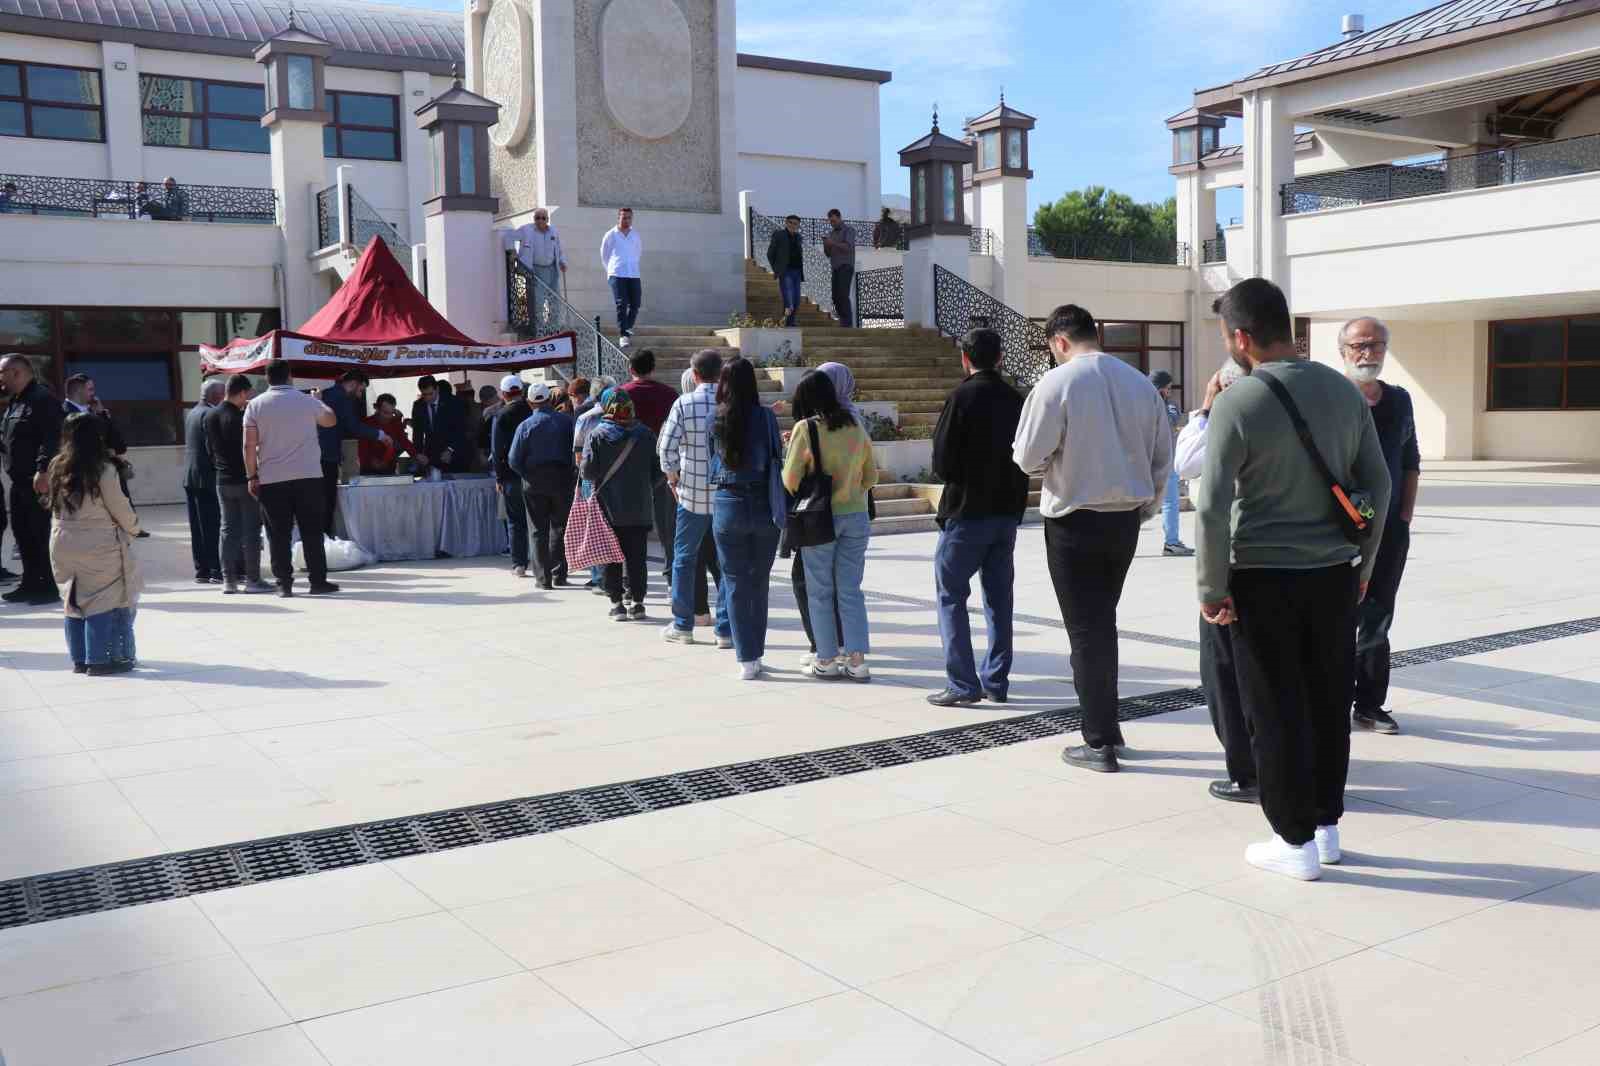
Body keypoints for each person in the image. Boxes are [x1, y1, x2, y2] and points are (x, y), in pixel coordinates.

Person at [1196, 277, 1391, 882]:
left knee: (1274, 707)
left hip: (1262, 577)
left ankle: (1293, 840)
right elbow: (1378, 486)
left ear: (1242, 337)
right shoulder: (1343, 390)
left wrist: (1210, 587)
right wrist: (1365, 562)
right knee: (1329, 699)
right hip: (1335, 572)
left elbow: (1210, 505)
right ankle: (1327, 828)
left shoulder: (1238, 400)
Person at [1012, 304, 1173, 774]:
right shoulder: (1140, 383)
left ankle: (1099, 739)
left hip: (1075, 522)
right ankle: (1108, 725)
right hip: (1124, 521)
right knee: (1102, 622)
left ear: (1059, 341)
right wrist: (1145, 505)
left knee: (1087, 629)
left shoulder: (1057, 383)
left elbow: (1026, 456)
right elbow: (1164, 457)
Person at [926, 329, 1028, 707]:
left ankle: (963, 684)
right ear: (1000, 357)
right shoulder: (1016, 399)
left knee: (951, 594)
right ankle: (996, 680)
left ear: (965, 358)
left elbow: (942, 462)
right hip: (1006, 512)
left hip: (968, 511)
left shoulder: (961, 397)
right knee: (999, 598)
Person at [1175, 355, 1256, 803]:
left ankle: (1246, 770)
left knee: (1224, 672)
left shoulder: (1229, 423)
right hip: (1287, 560)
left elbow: (1185, 463)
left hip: (1233, 561)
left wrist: (1207, 409)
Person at [1341, 316, 1419, 736]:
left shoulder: (1400, 400)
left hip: (1389, 530)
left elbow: (1411, 460)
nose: (1368, 353)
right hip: (1340, 530)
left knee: (1378, 615)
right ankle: (1331, 698)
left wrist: (1403, 516)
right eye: (1359, 346)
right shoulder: (1332, 398)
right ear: (1344, 352)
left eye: (1376, 345)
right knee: (1336, 616)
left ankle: (1369, 703)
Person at [783, 369, 878, 681]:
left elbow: (791, 480)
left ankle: (826, 658)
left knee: (820, 590)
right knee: (851, 589)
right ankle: (857, 659)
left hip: (820, 518)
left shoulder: (805, 429)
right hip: (856, 514)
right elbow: (871, 477)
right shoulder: (854, 425)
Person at [46, 413, 141, 674]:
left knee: (72, 599)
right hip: (97, 543)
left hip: (61, 540)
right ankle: (101, 660)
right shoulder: (103, 468)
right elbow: (119, 506)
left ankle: (80, 660)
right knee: (102, 599)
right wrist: (134, 528)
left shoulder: (56, 465)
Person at [710, 356, 785, 680]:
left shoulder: (716, 418)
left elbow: (713, 461)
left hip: (727, 502)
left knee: (736, 583)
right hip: (763, 502)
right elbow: (775, 456)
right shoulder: (766, 417)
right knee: (759, 583)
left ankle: (746, 658)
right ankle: (756, 652)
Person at [244, 359, 340, 597]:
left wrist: (251, 475)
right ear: (290, 377)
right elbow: (330, 421)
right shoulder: (307, 401)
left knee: (278, 534)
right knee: (312, 531)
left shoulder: (255, 405)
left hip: (272, 478)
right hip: (308, 475)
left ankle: (284, 584)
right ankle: (317, 581)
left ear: (267, 379)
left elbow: (249, 445)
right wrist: (319, 402)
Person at [660, 348, 732, 646]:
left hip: (691, 496)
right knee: (727, 563)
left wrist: (673, 477)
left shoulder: (684, 403)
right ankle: (725, 630)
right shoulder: (731, 403)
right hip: (728, 496)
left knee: (684, 559)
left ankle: (683, 624)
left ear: (695, 374)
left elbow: (667, 449)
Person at [582, 392, 658, 619]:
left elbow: (587, 471)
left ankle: (616, 604)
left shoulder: (597, 435)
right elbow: (659, 470)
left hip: (608, 507)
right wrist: (645, 487)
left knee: (610, 557)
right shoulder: (645, 434)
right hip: (639, 507)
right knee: (637, 558)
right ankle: (637, 602)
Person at [1, 355, 63, 605]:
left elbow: (53, 437)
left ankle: (47, 586)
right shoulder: (15, 401)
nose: (0, 379)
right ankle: (30, 583)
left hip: (38, 481)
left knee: (40, 533)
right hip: (18, 481)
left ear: (16, 372)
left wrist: (44, 470)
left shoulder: (42, 399)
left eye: (1, 373)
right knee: (23, 533)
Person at [205, 375, 272, 595]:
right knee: (251, 531)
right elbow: (250, 448)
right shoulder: (243, 418)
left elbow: (209, 451)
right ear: (242, 392)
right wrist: (254, 475)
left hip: (222, 481)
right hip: (244, 480)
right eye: (248, 394)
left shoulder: (211, 415)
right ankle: (253, 580)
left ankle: (229, 581)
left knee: (228, 531)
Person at [508, 382, 576, 588]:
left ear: (529, 402)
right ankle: (559, 573)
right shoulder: (566, 422)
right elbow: (575, 450)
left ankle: (543, 578)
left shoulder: (525, 426)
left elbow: (513, 459)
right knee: (560, 526)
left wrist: (527, 474)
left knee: (537, 529)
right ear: (549, 400)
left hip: (534, 479)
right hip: (561, 478)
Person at [620, 349, 679, 576]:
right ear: (653, 369)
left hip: (629, 466)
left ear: (631, 369)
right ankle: (671, 572)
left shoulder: (620, 394)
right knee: (667, 524)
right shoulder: (670, 394)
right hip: (664, 464)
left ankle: (631, 576)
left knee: (631, 526)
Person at [62, 372, 139, 533]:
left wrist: (102, 415)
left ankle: (128, 525)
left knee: (117, 497)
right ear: (78, 391)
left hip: (103, 467)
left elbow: (118, 444)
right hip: (82, 472)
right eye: (90, 389)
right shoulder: (64, 413)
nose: (94, 393)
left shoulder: (96, 411)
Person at [318, 371, 388, 532]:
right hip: (326, 455)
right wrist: (380, 435)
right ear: (354, 383)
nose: (360, 394)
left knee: (321, 500)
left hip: (321, 453)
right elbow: (353, 426)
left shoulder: (330, 393)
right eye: (361, 390)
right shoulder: (341, 397)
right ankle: (325, 539)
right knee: (327, 501)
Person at [182, 380, 225, 584]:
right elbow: (212, 448)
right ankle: (216, 569)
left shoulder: (192, 412)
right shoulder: (210, 414)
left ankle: (202, 570)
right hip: (207, 478)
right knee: (212, 526)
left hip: (191, 477)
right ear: (217, 396)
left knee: (197, 527)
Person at [1150, 370, 1192, 557]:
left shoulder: (1168, 405)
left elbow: (1176, 423)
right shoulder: (1150, 405)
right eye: (1167, 388)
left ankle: (1172, 542)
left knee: (1170, 502)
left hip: (1167, 461)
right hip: (1156, 461)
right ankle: (1171, 542)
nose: (1170, 391)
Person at [505, 208, 567, 333]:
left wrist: (562, 261)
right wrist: (512, 251)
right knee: (538, 302)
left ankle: (553, 328)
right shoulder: (526, 230)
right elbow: (509, 237)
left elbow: (559, 249)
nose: (540, 220)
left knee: (555, 300)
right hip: (535, 270)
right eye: (537, 218)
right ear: (534, 219)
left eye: (543, 218)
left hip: (552, 270)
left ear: (547, 220)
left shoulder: (553, 231)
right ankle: (539, 329)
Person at [600, 207, 643, 348]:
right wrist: (610, 270)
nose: (627, 220)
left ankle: (627, 330)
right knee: (622, 303)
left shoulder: (635, 235)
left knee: (636, 304)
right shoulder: (610, 235)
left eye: (629, 217)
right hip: (617, 274)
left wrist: (631, 265)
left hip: (633, 273)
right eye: (624, 217)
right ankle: (624, 335)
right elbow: (604, 255)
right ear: (618, 218)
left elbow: (638, 253)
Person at [359, 394, 425, 475]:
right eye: (385, 413)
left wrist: (417, 455)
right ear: (377, 409)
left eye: (392, 413)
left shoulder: (395, 423)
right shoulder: (367, 423)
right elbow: (362, 448)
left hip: (389, 468)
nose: (388, 417)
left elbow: (404, 441)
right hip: (369, 469)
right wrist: (371, 461)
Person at [411, 375, 466, 473]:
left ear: (437, 389)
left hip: (453, 453)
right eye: (424, 394)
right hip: (431, 455)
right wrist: (418, 454)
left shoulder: (453, 402)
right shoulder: (418, 405)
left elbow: (460, 429)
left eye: (430, 394)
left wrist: (450, 449)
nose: (428, 397)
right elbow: (417, 433)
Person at [767, 215, 805, 327]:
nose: (793, 225)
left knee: (797, 300)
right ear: (786, 223)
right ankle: (787, 321)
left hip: (797, 272)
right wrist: (777, 270)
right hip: (785, 271)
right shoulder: (779, 235)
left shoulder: (799, 237)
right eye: (791, 223)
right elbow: (770, 254)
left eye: (796, 224)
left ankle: (789, 321)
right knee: (789, 300)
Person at [821, 209, 856, 328]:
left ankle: (848, 324)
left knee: (842, 295)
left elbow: (848, 247)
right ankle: (843, 321)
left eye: (834, 221)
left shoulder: (849, 230)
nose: (832, 223)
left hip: (846, 266)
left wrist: (832, 243)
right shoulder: (831, 234)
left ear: (839, 218)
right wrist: (826, 245)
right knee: (835, 297)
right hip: (835, 268)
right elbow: (828, 254)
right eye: (830, 222)